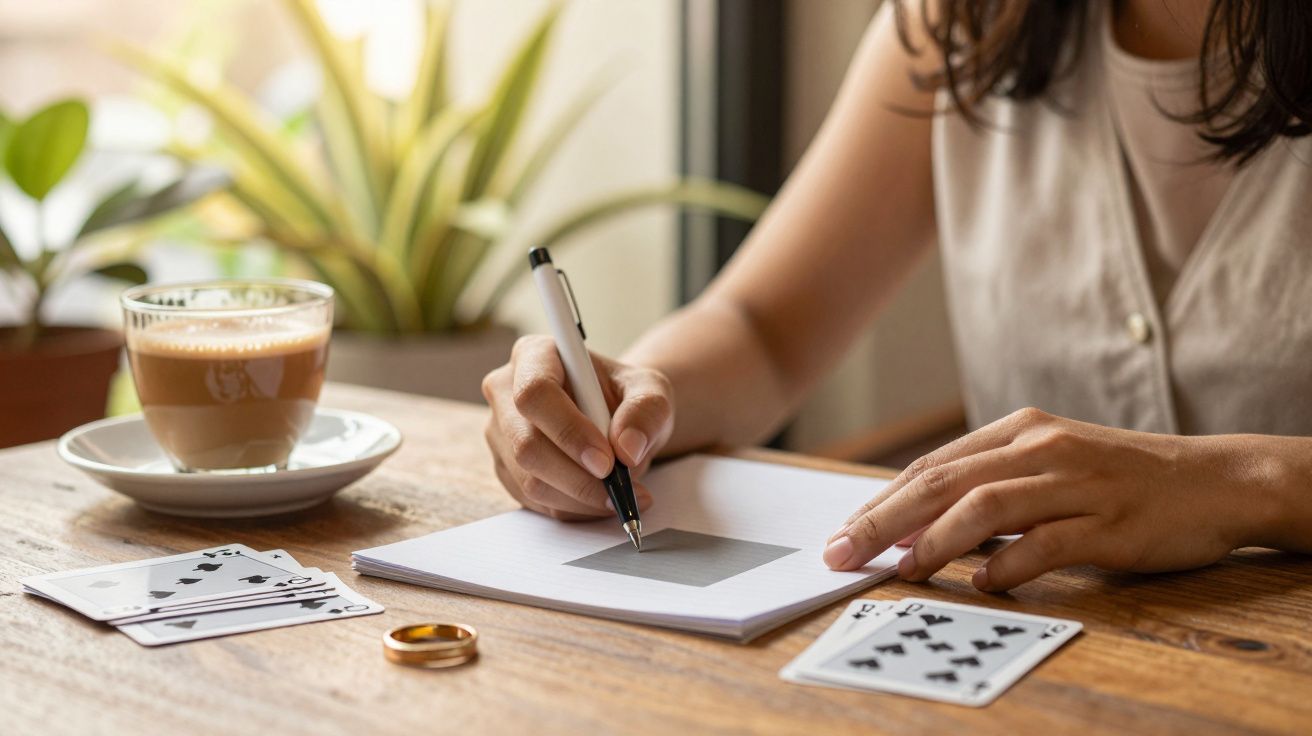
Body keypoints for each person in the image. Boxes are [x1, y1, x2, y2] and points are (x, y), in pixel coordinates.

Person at [481, 0, 1312, 591]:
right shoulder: (960, 22)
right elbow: (764, 329)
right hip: (1038, 649)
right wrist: (629, 396)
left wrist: (1244, 483)